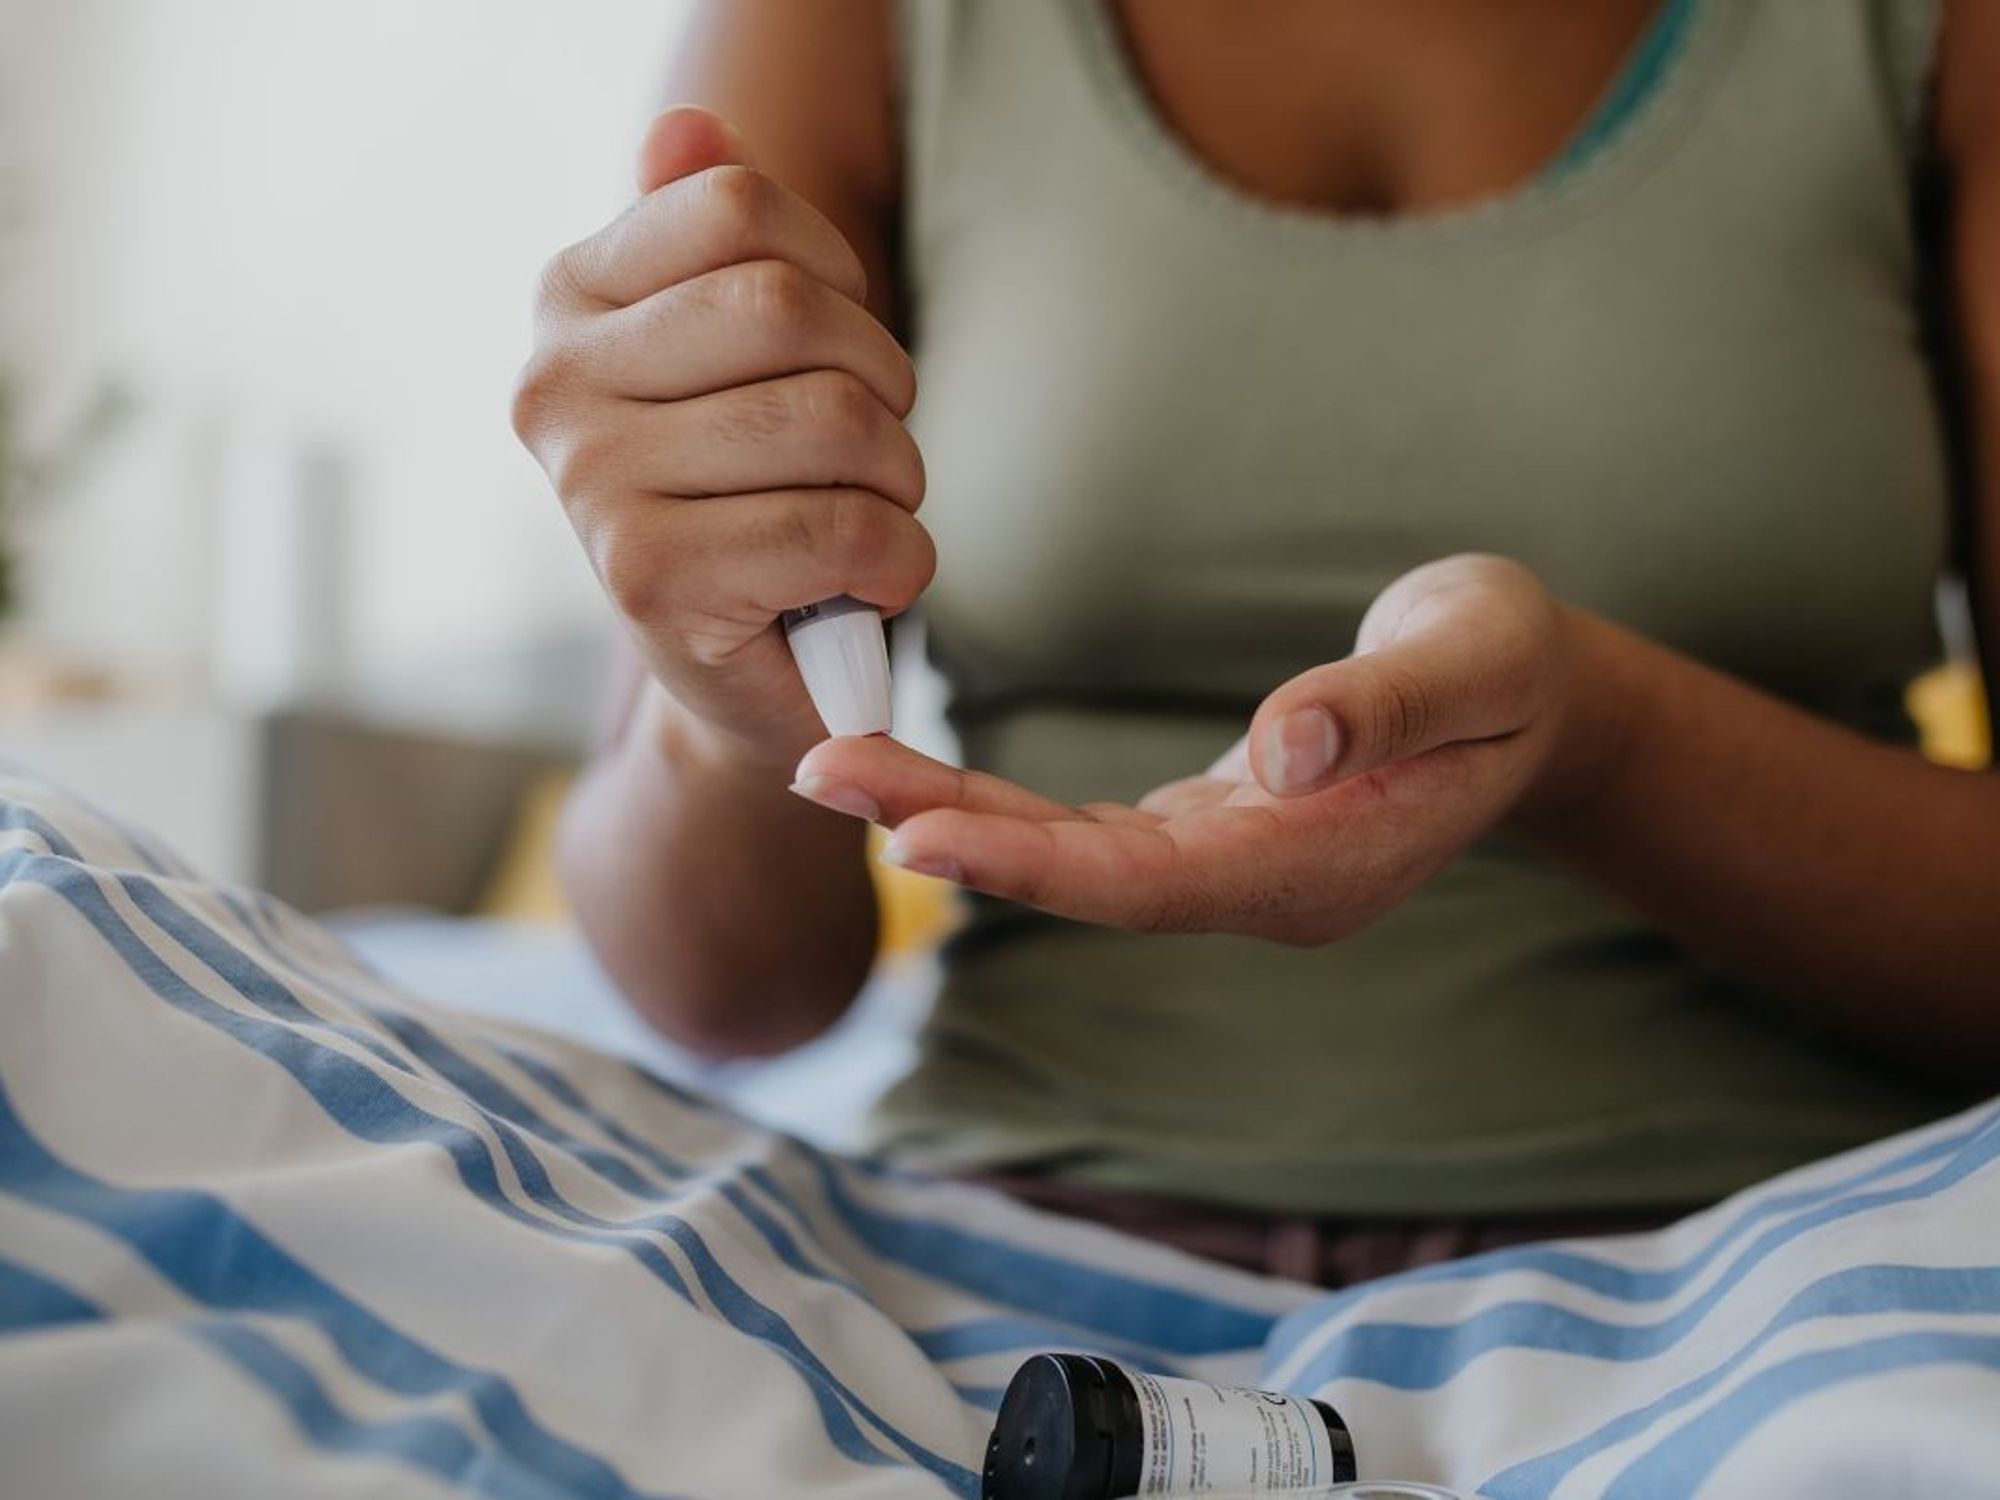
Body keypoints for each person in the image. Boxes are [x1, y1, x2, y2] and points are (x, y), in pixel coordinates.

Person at [511, 0, 2000, 1286]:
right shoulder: (863, 27)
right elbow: (717, 995)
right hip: (1024, 1241)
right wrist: (726, 717)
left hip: (1794, 1255)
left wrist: (1596, 741)